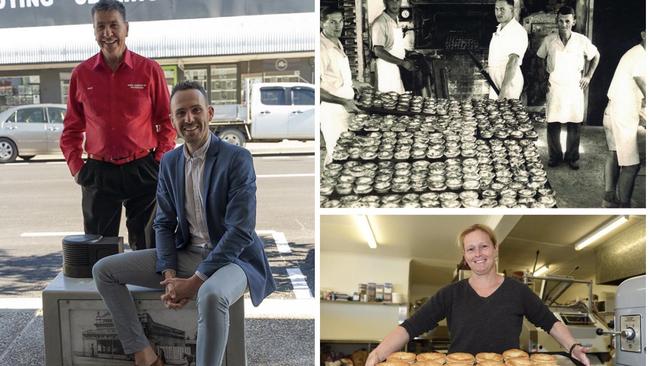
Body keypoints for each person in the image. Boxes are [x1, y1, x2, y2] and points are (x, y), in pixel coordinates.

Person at [92, 81, 276, 366]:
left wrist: (193, 283)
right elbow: (163, 223)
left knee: (211, 295)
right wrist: (169, 276)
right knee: (104, 271)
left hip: (235, 260)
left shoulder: (237, 158)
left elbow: (240, 231)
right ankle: (144, 354)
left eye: (195, 110)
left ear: (210, 113)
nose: (189, 119)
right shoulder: (170, 162)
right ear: (172, 119)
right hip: (189, 252)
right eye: (181, 113)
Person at [365, 224, 591, 366]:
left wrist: (572, 347)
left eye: (483, 246)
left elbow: (550, 322)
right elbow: (410, 326)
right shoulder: (450, 294)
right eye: (470, 249)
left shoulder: (518, 291)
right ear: (465, 255)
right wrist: (377, 353)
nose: (478, 254)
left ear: (495, 249)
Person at [60, 0, 176, 250]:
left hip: (143, 169)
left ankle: (145, 290)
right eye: (100, 27)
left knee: (147, 248)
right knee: (99, 251)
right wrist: (77, 167)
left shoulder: (149, 70)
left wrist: (160, 161)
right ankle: (107, 290)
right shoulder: (81, 74)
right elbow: (71, 129)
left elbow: (167, 122)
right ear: (94, 31)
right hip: (99, 173)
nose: (107, 33)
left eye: (114, 25)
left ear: (126, 28)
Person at [537, 6, 600, 170]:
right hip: (555, 86)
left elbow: (596, 56)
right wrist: (543, 79)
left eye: (567, 21)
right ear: (556, 21)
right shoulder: (549, 40)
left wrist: (588, 76)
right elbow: (539, 58)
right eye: (560, 21)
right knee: (553, 122)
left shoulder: (581, 40)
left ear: (574, 21)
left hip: (574, 86)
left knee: (574, 122)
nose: (563, 24)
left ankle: (572, 157)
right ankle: (555, 156)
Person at [602, 31, 646, 208]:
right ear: (643, 34)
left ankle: (608, 199)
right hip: (623, 113)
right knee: (631, 165)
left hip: (613, 109)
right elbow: (645, 88)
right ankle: (624, 205)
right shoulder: (639, 55)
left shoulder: (637, 52)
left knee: (614, 153)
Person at [320, 6, 368, 163]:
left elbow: (335, 77)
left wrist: (356, 84)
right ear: (322, 23)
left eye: (340, 21)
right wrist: (343, 101)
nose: (338, 26)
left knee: (343, 153)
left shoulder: (336, 42)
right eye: (332, 22)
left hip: (346, 108)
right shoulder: (321, 49)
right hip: (333, 112)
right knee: (338, 155)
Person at [487, 0, 528, 100]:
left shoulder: (516, 31)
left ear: (512, 10)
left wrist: (503, 93)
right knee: (494, 113)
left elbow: (512, 62)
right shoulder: (500, 28)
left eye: (502, 9)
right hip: (496, 82)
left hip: (509, 83)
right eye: (496, 9)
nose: (498, 13)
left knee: (507, 113)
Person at [371, 0, 414, 92]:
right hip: (386, 69)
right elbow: (378, 51)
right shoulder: (380, 23)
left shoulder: (395, 20)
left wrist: (406, 53)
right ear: (385, 2)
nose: (395, 3)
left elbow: (392, 46)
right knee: (389, 101)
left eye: (398, 0)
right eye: (391, 0)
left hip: (397, 67)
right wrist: (402, 63)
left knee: (399, 100)